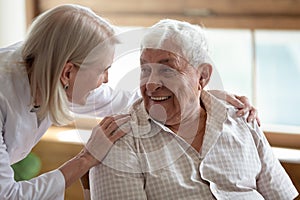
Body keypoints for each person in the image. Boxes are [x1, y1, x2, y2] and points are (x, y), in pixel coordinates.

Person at [0, 4, 257, 199]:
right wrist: (86, 159)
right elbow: (8, 195)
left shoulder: (49, 71)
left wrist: (201, 94)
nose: (106, 79)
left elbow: (123, 99)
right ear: (68, 73)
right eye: (103, 70)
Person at [89, 19, 299, 200]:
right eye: (145, 69)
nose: (151, 84)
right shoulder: (118, 139)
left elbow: (283, 195)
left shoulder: (241, 118)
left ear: (203, 77)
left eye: (167, 69)